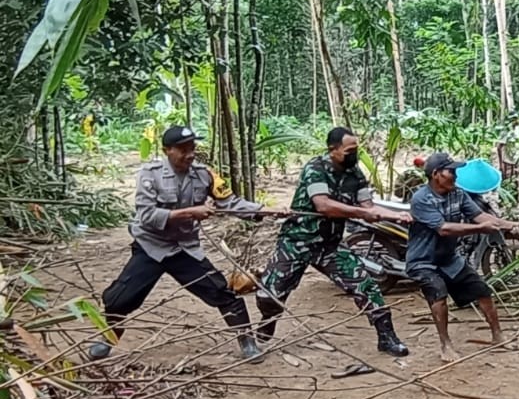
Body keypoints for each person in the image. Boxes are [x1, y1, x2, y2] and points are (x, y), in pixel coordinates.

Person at [88, 125, 277, 363]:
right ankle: (110, 336)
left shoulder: (204, 174)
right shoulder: (150, 174)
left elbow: (229, 202)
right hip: (151, 247)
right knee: (119, 299)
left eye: (192, 148)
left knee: (221, 292)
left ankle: (246, 340)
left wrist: (265, 211)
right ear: (167, 150)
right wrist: (190, 212)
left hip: (184, 249)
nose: (190, 154)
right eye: (183, 149)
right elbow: (147, 216)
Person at [256, 127, 412, 356]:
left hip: (329, 245)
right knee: (270, 294)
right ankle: (269, 318)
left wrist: (395, 216)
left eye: (356, 149)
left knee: (365, 285)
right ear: (333, 150)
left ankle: (387, 338)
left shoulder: (355, 173)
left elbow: (367, 207)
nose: (354, 154)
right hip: (297, 242)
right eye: (350, 150)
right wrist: (360, 213)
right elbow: (324, 205)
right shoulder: (316, 168)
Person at [407, 152, 519, 361]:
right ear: (436, 174)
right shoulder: (421, 199)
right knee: (438, 295)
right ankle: (446, 346)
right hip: (423, 261)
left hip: (449, 258)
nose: (455, 176)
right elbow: (444, 229)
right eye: (450, 171)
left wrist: (509, 225)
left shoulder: (458, 194)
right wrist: (479, 228)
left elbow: (482, 216)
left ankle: (498, 336)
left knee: (482, 290)